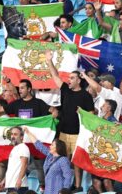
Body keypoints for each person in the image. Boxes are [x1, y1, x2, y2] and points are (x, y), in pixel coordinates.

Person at [46, 50, 94, 193]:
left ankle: (78, 186)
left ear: (79, 80)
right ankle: (64, 185)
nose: (69, 80)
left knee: (77, 161)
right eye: (69, 78)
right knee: (63, 161)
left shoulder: (86, 96)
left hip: (78, 134)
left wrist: (83, 113)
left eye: (72, 78)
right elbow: (54, 75)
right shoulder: (65, 90)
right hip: (64, 132)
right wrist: (49, 61)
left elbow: (91, 116)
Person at [24, 127, 73, 194]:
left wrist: (64, 191)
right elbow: (39, 145)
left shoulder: (63, 160)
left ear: (57, 147)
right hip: (48, 191)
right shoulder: (49, 156)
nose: (50, 146)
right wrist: (28, 133)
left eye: (52, 145)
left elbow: (68, 176)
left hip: (58, 191)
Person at [0, 126, 29, 194]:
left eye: (15, 134)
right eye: (12, 134)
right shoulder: (14, 148)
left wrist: (19, 179)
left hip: (19, 186)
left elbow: (24, 165)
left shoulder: (23, 147)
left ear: (21, 137)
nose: (12, 136)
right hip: (10, 185)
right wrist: (4, 180)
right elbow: (11, 167)